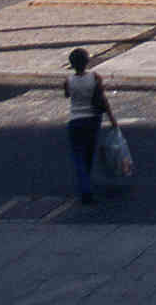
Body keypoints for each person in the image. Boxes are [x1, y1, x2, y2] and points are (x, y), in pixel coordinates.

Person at [63, 48, 120, 204]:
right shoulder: (95, 77)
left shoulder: (68, 81)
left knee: (78, 157)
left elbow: (67, 95)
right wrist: (112, 119)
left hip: (75, 120)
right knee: (88, 155)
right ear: (87, 61)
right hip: (93, 120)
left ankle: (85, 187)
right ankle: (86, 184)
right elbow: (102, 99)